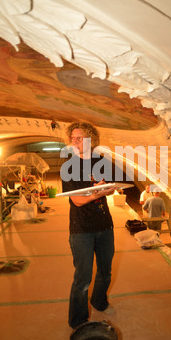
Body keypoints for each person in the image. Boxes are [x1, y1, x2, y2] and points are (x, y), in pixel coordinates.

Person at [62, 122, 116, 329]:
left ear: (90, 140)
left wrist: (106, 189)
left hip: (105, 225)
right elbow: (76, 200)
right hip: (81, 229)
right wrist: (97, 192)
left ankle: (99, 301)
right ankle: (78, 320)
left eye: (79, 138)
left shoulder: (101, 161)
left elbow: (109, 188)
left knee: (105, 271)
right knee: (83, 278)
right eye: (72, 138)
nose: (74, 141)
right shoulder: (69, 166)